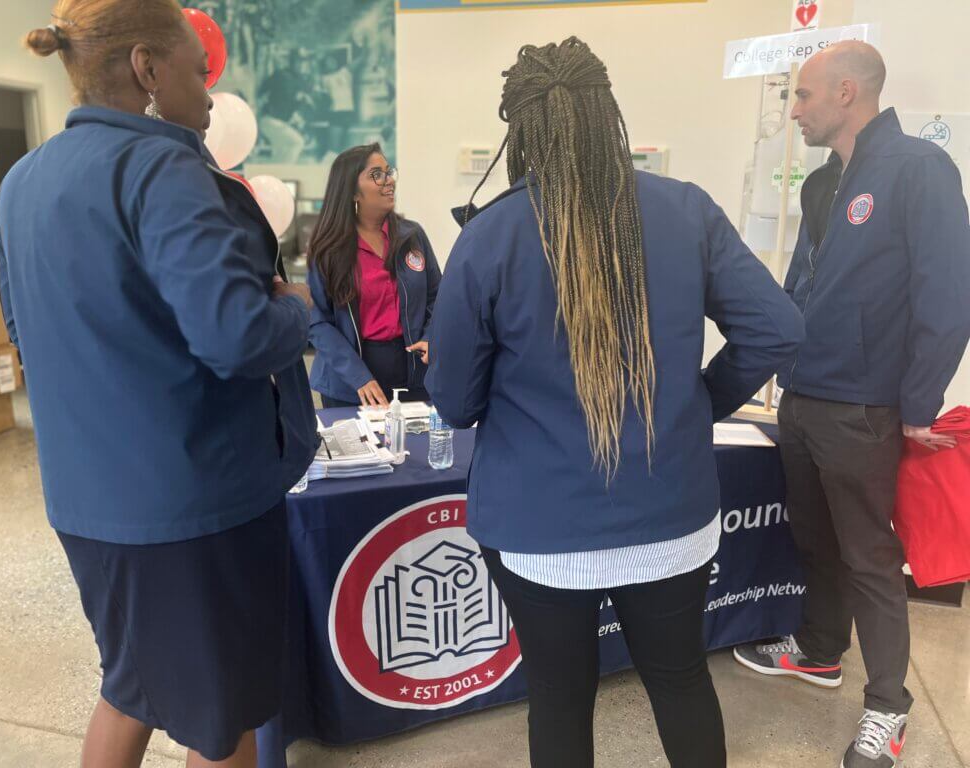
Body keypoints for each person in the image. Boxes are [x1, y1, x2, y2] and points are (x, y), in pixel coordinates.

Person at [426, 37, 805, 768]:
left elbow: (451, 400)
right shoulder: (685, 210)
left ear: (523, 130)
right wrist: (699, 401)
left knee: (560, 699)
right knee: (681, 679)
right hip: (670, 515)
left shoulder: (491, 236)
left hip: (541, 531)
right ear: (610, 115)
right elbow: (778, 329)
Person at [0, 2, 317, 766]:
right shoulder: (163, 166)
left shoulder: (24, 179)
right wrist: (298, 314)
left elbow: (24, 330)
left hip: (87, 503)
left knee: (131, 685)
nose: (210, 96)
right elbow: (237, 334)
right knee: (223, 716)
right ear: (147, 68)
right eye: (198, 72)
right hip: (193, 506)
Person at [733, 41, 970, 768]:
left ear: (845, 92)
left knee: (870, 556)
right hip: (803, 398)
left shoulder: (919, 170)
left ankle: (888, 707)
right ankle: (820, 650)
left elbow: (948, 294)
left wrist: (919, 401)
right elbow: (804, 288)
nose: (794, 110)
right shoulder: (820, 183)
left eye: (802, 97)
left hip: (865, 405)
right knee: (816, 538)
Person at [307, 143, 441, 408]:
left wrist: (431, 335)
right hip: (350, 383)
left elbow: (438, 297)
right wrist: (358, 377)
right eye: (376, 174)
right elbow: (318, 321)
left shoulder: (412, 235)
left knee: (414, 448)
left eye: (388, 172)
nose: (388, 180)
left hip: (414, 376)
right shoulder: (328, 247)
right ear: (353, 192)